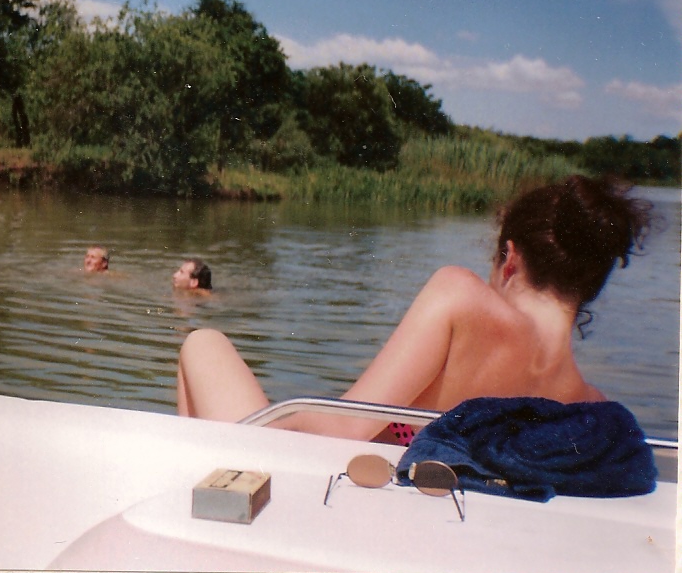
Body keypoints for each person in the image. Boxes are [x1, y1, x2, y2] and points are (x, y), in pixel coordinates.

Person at [176, 175, 650, 444]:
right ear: (588, 288)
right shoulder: (596, 409)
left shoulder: (462, 298)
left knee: (203, 343)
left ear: (510, 259)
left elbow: (346, 427)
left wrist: (263, 426)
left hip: (346, 498)